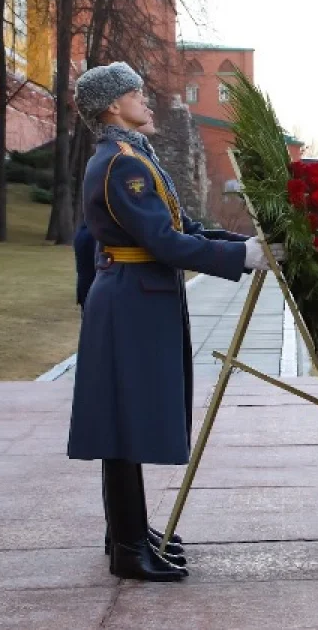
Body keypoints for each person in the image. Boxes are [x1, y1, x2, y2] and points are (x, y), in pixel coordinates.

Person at [66, 62, 282, 582]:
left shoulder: (133, 155)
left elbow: (187, 227)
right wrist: (243, 260)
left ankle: (129, 532)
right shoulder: (123, 164)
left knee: (127, 419)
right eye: (136, 93)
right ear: (112, 106)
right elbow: (163, 242)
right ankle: (127, 547)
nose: (147, 99)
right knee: (122, 424)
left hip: (138, 298)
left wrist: (251, 247)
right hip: (131, 301)